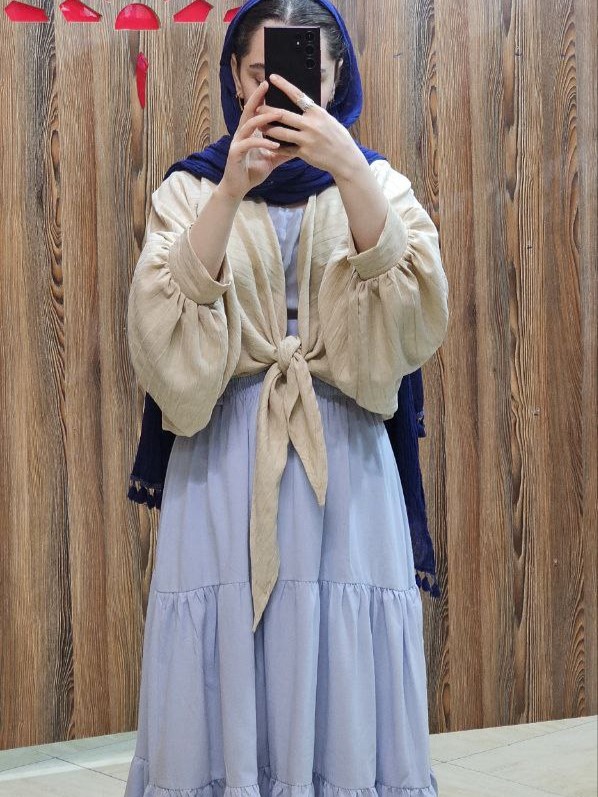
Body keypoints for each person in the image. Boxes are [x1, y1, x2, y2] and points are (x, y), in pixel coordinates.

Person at [124, 1, 448, 796]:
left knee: (343, 649)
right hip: (224, 463)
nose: (279, 89)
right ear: (236, 79)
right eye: (257, 72)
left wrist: (349, 170)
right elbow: (159, 332)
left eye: (302, 71)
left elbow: (417, 319)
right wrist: (230, 190)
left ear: (336, 75)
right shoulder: (191, 186)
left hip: (347, 464)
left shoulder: (378, 181)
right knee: (224, 648)